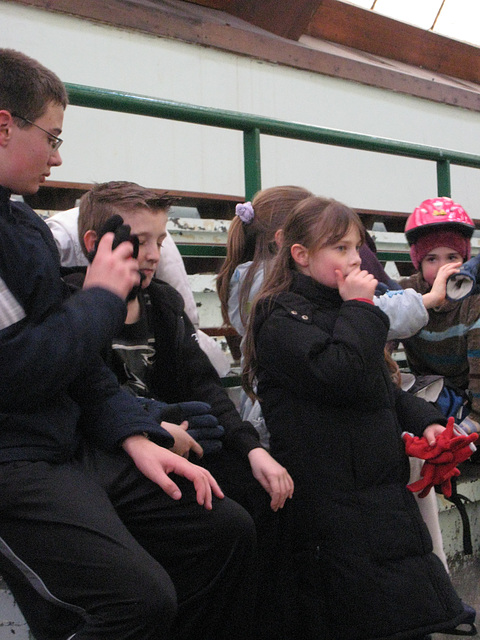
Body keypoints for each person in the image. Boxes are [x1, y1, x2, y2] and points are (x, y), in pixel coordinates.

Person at [0, 47, 257, 640]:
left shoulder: (22, 226)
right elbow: (20, 370)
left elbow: (78, 369)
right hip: (16, 463)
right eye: (52, 135)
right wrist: (99, 299)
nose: (58, 156)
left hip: (64, 443)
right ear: (6, 124)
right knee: (136, 601)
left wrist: (132, 435)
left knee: (222, 529)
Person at [242, 195, 472, 639]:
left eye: (355, 247)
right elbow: (339, 373)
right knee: (354, 612)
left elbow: (379, 387)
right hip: (327, 492)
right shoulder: (280, 315)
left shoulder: (340, 308)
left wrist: (426, 420)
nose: (354, 259)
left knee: (404, 609)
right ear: (301, 256)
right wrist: (361, 308)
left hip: (370, 484)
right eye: (340, 249)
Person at [46, 205, 231, 376]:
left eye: (160, 243)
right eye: (141, 242)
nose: (155, 256)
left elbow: (204, 385)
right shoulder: (64, 302)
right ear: (94, 244)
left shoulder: (166, 304)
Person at [400, 197, 480, 437]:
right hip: (430, 391)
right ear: (418, 262)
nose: (443, 268)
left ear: (465, 261)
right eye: (432, 259)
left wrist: (477, 416)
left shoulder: (473, 298)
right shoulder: (408, 294)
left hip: (470, 392)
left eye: (452, 258)